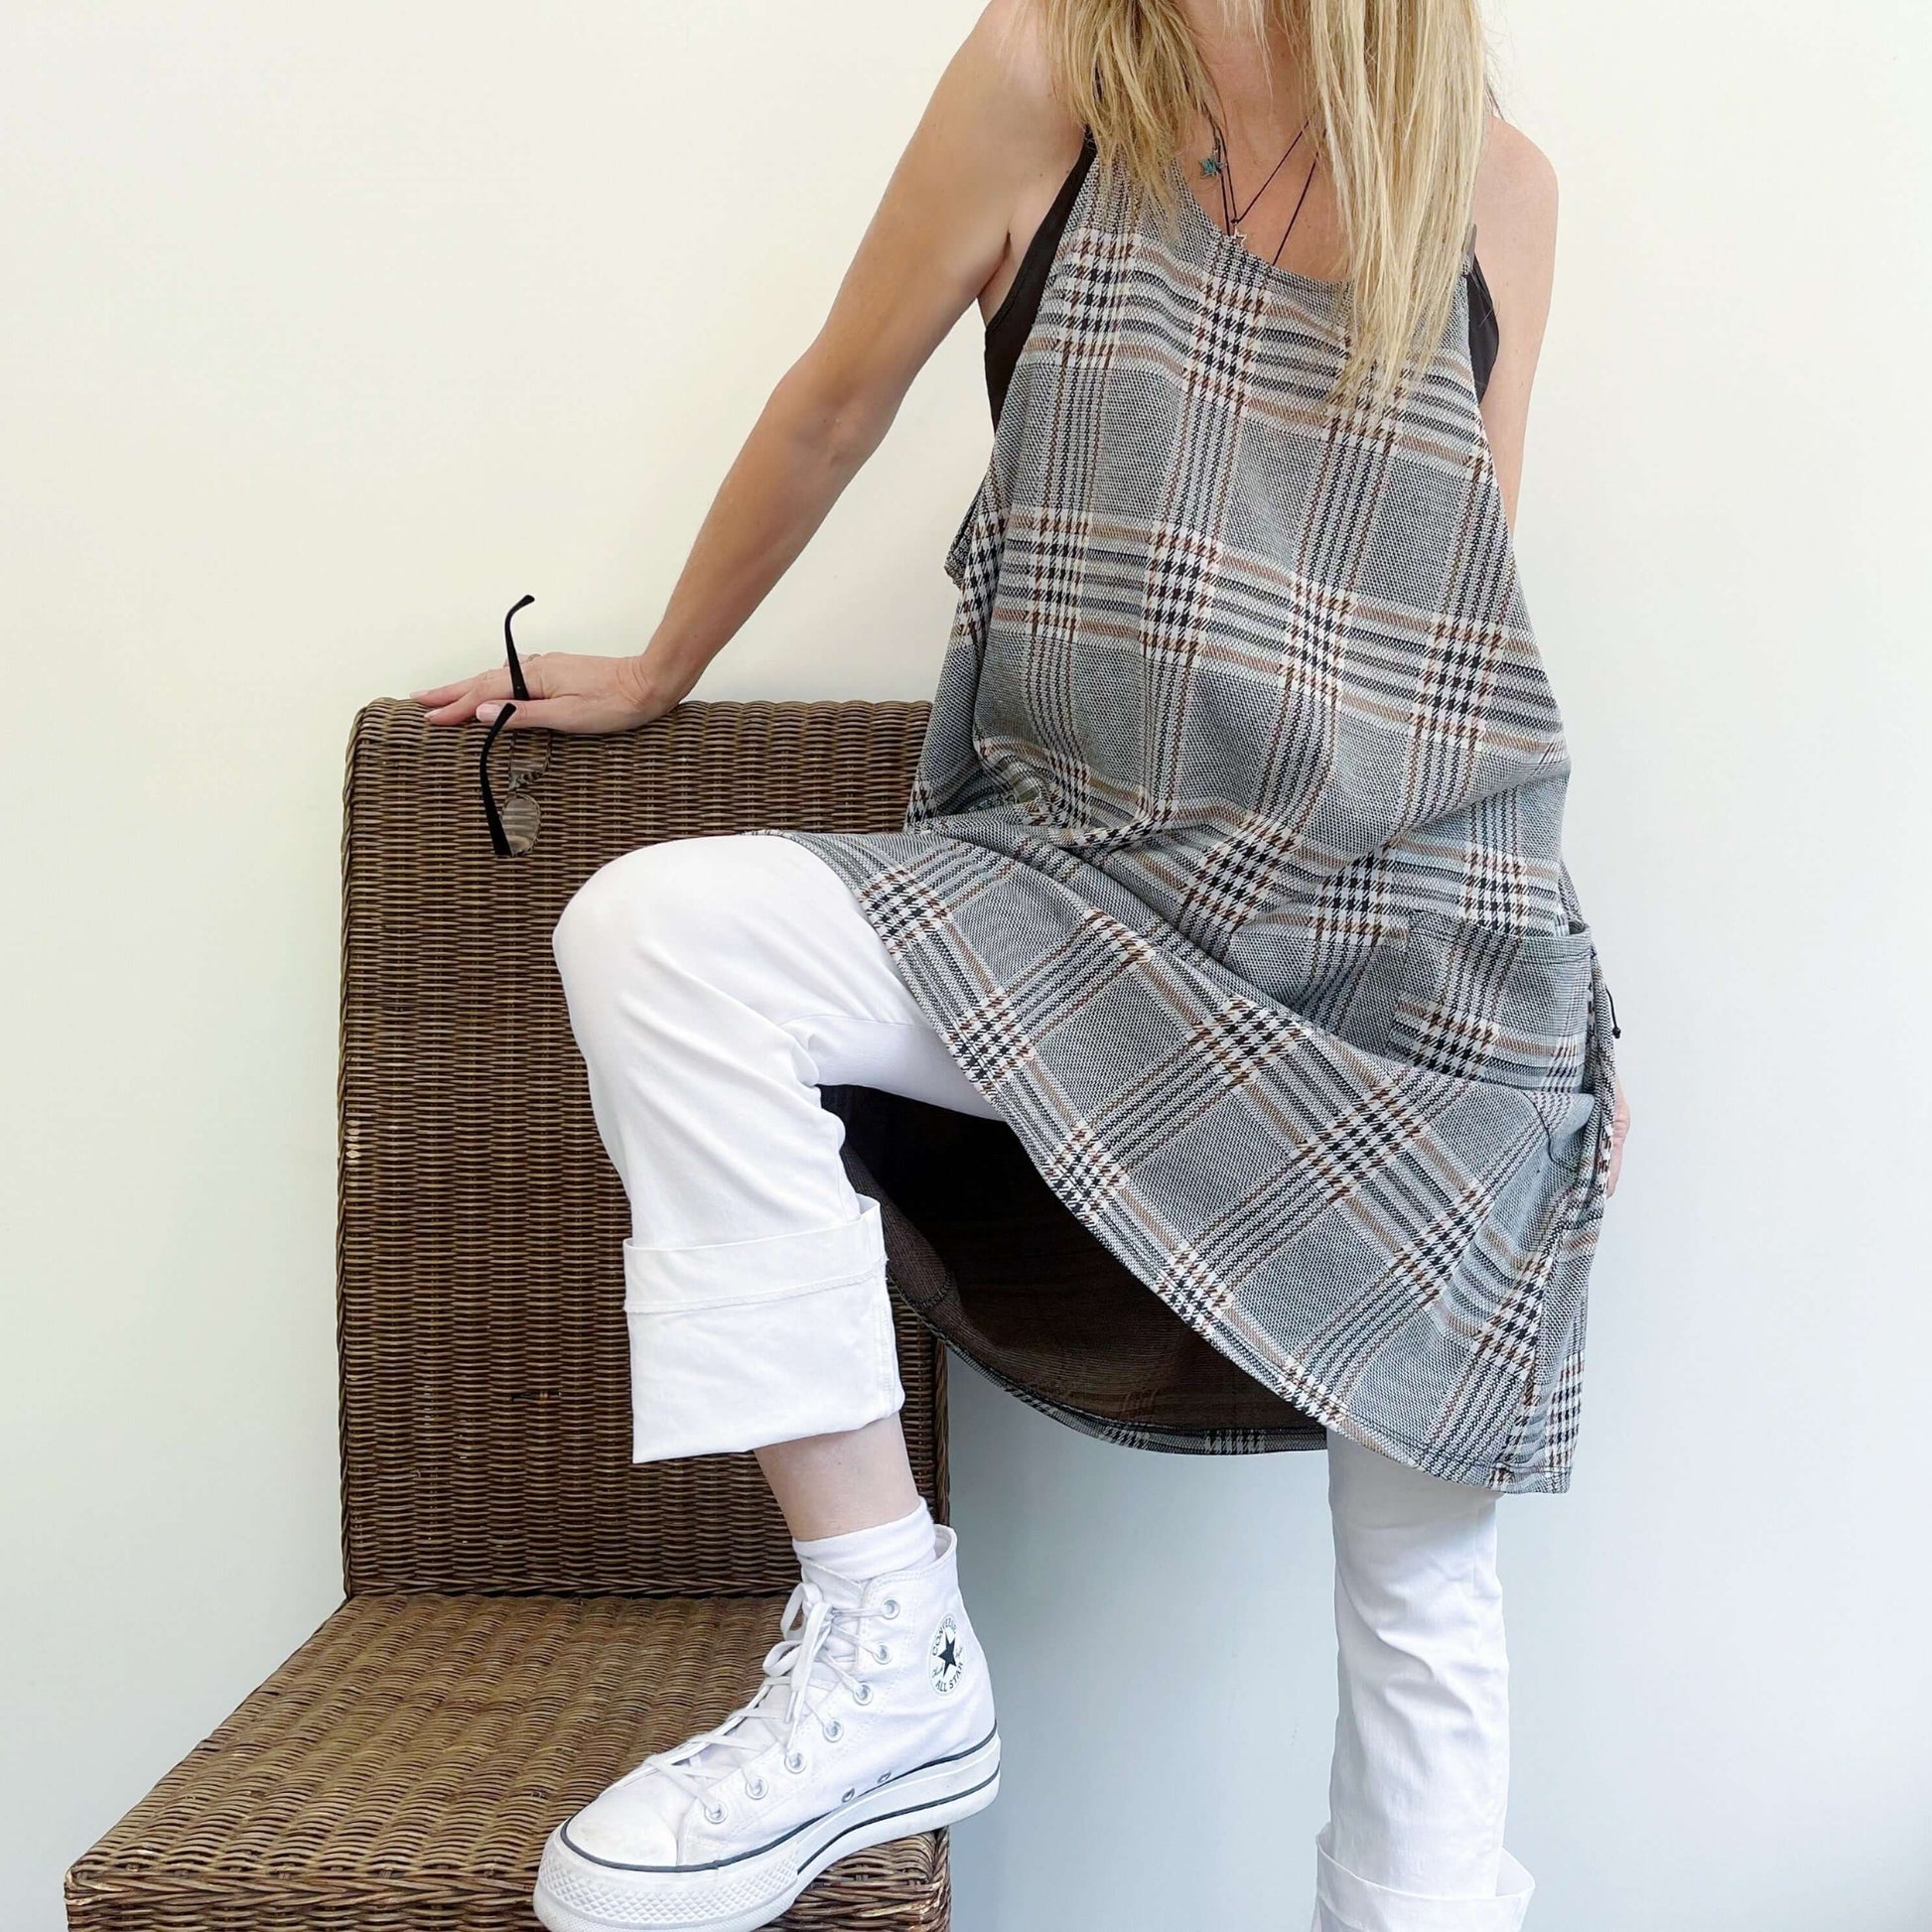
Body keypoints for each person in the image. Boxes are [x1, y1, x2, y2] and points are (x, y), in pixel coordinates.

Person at [413, 3, 1631, 1927]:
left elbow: (1462, 630)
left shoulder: (1497, 190)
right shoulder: (1054, 76)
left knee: (1423, 1564)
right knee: (664, 930)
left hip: (1411, 939)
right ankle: (884, 1638)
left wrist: (1566, 981)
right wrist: (661, 664)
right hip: (1077, 879)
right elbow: (838, 395)